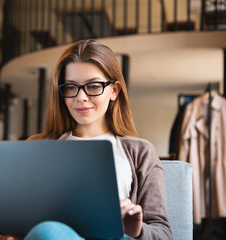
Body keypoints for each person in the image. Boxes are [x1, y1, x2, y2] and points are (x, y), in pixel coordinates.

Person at [25, 39, 173, 239]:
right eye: (70, 87)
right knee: (47, 231)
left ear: (114, 90)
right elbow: (1, 222)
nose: (81, 97)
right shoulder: (37, 147)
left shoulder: (140, 152)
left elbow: (164, 234)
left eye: (93, 86)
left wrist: (136, 230)